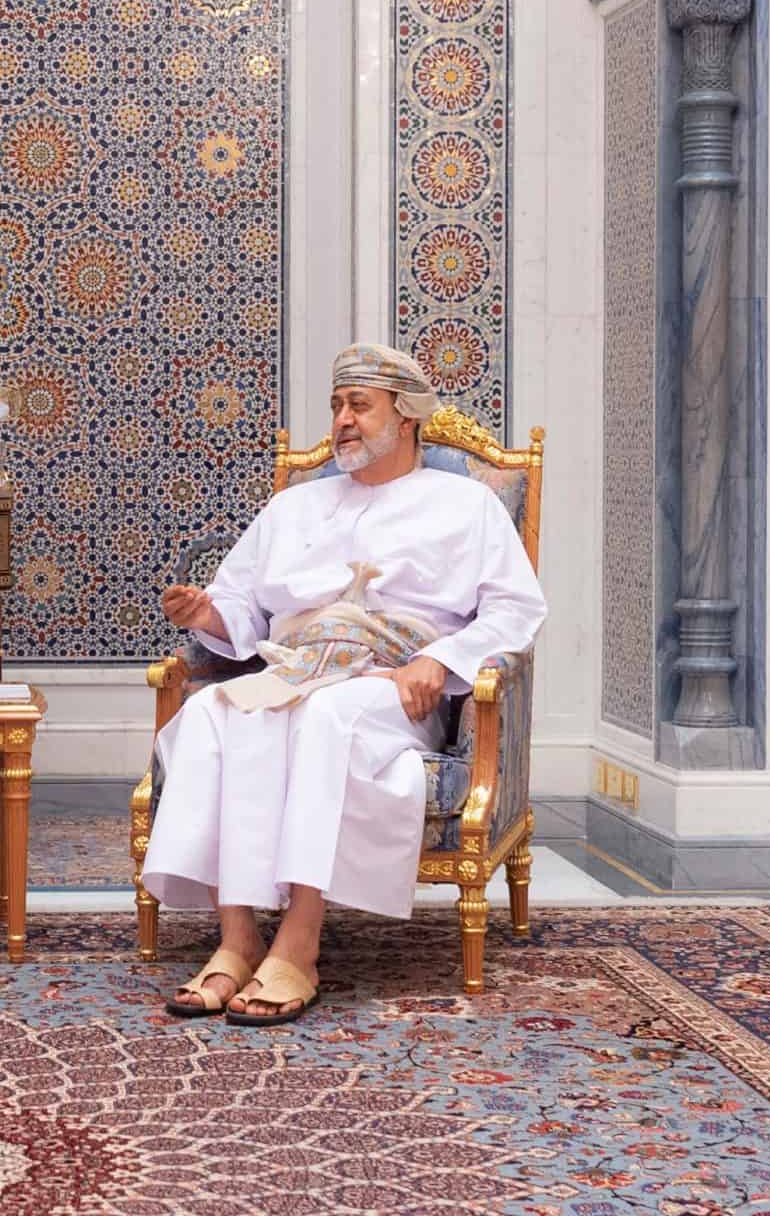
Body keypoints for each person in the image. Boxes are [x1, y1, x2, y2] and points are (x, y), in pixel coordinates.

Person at [142, 343, 545, 1024]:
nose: (342, 421)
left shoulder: (466, 505)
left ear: (407, 416)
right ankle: (238, 937)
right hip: (295, 671)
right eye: (337, 405)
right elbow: (242, 606)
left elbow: (517, 610)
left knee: (327, 717)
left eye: (359, 405)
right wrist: (206, 612)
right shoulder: (294, 508)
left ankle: (298, 945)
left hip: (393, 686)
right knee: (214, 709)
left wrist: (439, 661)